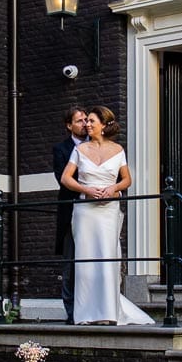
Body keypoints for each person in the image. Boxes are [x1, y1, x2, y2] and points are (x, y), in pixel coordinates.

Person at [60, 106, 154, 326]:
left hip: (109, 211)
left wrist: (113, 188)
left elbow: (126, 180)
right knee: (85, 259)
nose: (87, 125)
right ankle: (85, 314)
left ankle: (109, 312)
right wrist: (87, 190)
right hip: (85, 212)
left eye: (92, 121)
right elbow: (66, 178)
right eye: (86, 122)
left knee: (107, 256)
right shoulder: (80, 150)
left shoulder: (118, 150)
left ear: (103, 126)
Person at [52, 106, 88, 324]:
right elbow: (62, 179)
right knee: (71, 263)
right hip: (72, 211)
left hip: (94, 212)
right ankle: (71, 312)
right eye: (79, 121)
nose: (85, 124)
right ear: (69, 126)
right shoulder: (61, 149)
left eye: (86, 119)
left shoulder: (97, 146)